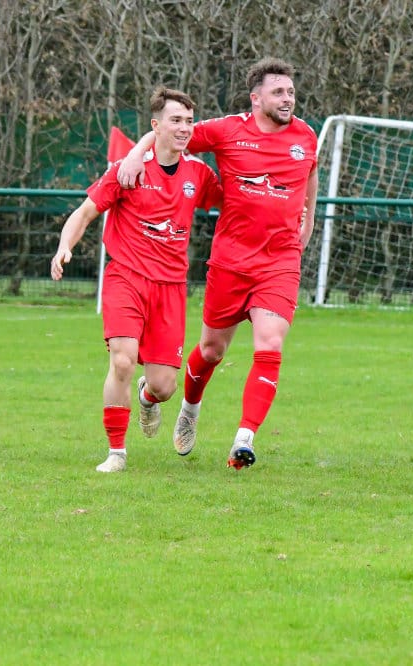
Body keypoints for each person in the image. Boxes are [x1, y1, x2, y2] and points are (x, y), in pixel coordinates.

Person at [118, 57, 318, 470]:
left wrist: (309, 219)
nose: (287, 99)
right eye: (278, 92)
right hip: (231, 261)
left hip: (280, 260)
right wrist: (137, 153)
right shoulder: (228, 131)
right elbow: (173, 133)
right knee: (211, 350)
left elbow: (310, 173)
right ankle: (187, 409)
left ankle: (244, 439)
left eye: (291, 92)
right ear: (256, 98)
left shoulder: (305, 135)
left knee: (270, 343)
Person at [51, 87, 221, 473]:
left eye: (189, 121)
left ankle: (147, 397)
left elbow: (233, 204)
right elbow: (85, 212)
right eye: (176, 120)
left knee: (164, 387)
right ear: (156, 125)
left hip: (171, 288)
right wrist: (64, 246)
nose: (184, 128)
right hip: (126, 277)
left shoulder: (199, 174)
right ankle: (116, 453)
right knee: (123, 361)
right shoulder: (128, 170)